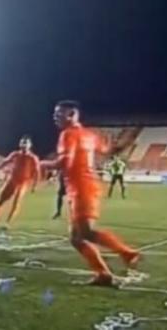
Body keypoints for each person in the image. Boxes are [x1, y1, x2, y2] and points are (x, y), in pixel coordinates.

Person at [41, 101, 139, 287]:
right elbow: (106, 149)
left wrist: (41, 164)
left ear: (72, 114)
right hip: (82, 187)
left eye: (59, 114)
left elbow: (64, 162)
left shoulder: (67, 134)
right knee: (76, 238)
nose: (55, 117)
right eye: (55, 114)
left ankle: (127, 252)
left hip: (81, 187)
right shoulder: (89, 135)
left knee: (86, 232)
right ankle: (103, 274)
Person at [0, 135, 41, 226]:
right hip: (12, 180)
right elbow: (6, 161)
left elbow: (37, 172)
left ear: (30, 145)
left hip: (23, 183)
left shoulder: (33, 158)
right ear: (19, 144)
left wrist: (34, 185)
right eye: (22, 143)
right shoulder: (15, 154)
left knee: (16, 203)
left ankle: (7, 223)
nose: (24, 145)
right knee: (0, 200)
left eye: (26, 143)